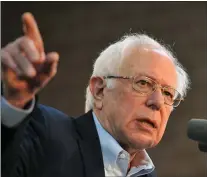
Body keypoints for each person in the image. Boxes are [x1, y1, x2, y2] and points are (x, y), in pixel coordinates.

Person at [1, 12, 190, 177]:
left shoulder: (147, 174)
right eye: (143, 83)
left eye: (167, 93)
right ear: (99, 90)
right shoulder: (46, 134)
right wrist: (14, 102)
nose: (157, 102)